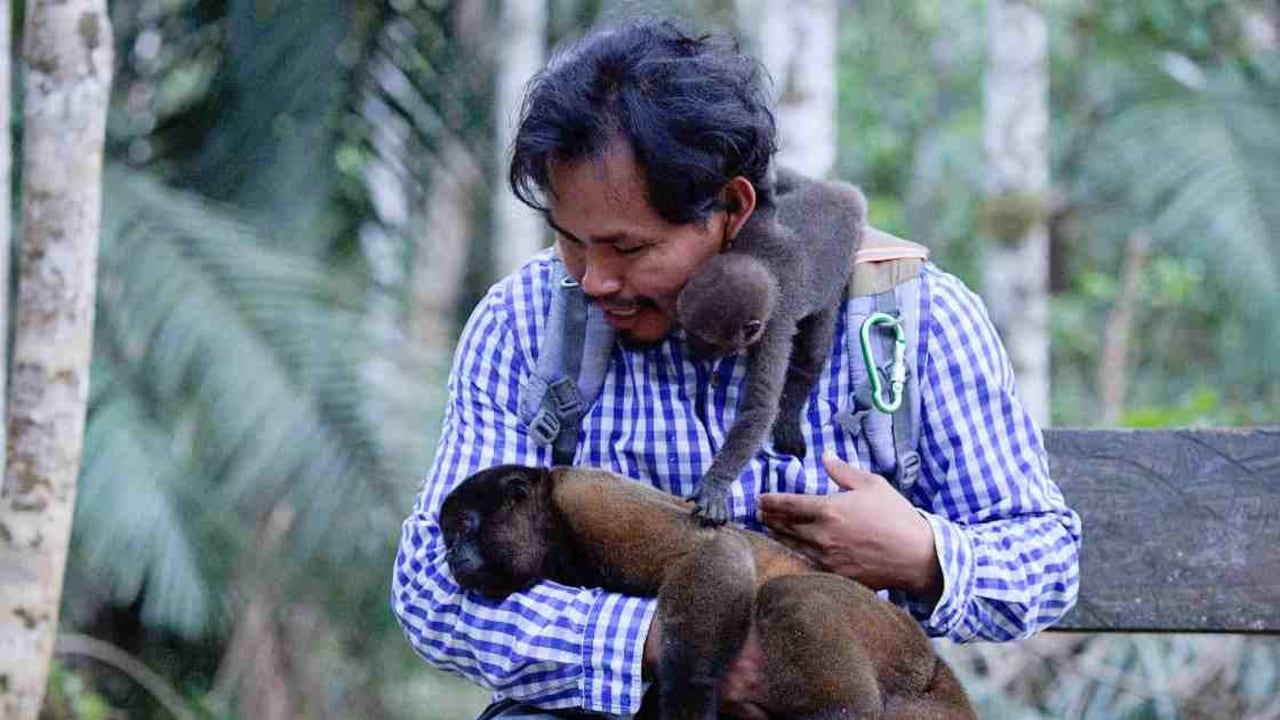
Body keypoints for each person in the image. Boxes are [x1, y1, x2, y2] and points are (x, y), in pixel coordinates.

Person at [391, 19, 1081, 719]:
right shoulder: (528, 323)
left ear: (733, 209)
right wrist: (667, 644)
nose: (594, 279)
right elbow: (432, 594)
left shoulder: (907, 316)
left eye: (628, 249)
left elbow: (1045, 560)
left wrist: (922, 554)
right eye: (572, 242)